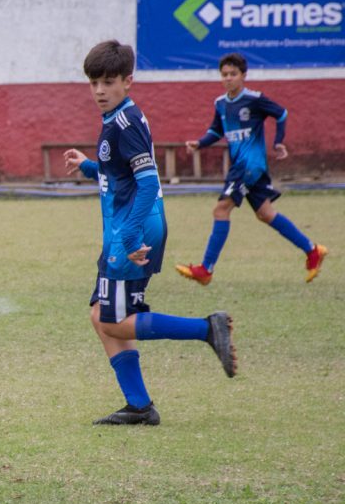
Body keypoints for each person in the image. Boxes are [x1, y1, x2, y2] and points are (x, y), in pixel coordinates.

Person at [63, 41, 237, 426]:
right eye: (94, 83)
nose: (99, 91)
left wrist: (127, 237)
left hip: (132, 230)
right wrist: (90, 166)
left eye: (108, 82)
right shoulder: (118, 118)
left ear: (129, 81)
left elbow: (146, 182)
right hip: (125, 228)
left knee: (111, 320)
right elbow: (120, 172)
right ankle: (139, 406)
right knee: (100, 315)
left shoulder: (125, 123)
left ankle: (208, 329)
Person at [177, 52, 327, 285]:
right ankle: (312, 250)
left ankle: (206, 269)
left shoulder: (254, 100)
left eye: (233, 74)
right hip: (242, 166)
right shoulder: (220, 104)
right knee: (265, 214)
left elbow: (282, 113)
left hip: (250, 166)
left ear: (243, 75)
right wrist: (200, 143)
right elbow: (216, 131)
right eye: (224, 74)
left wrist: (278, 141)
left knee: (221, 210)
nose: (228, 78)